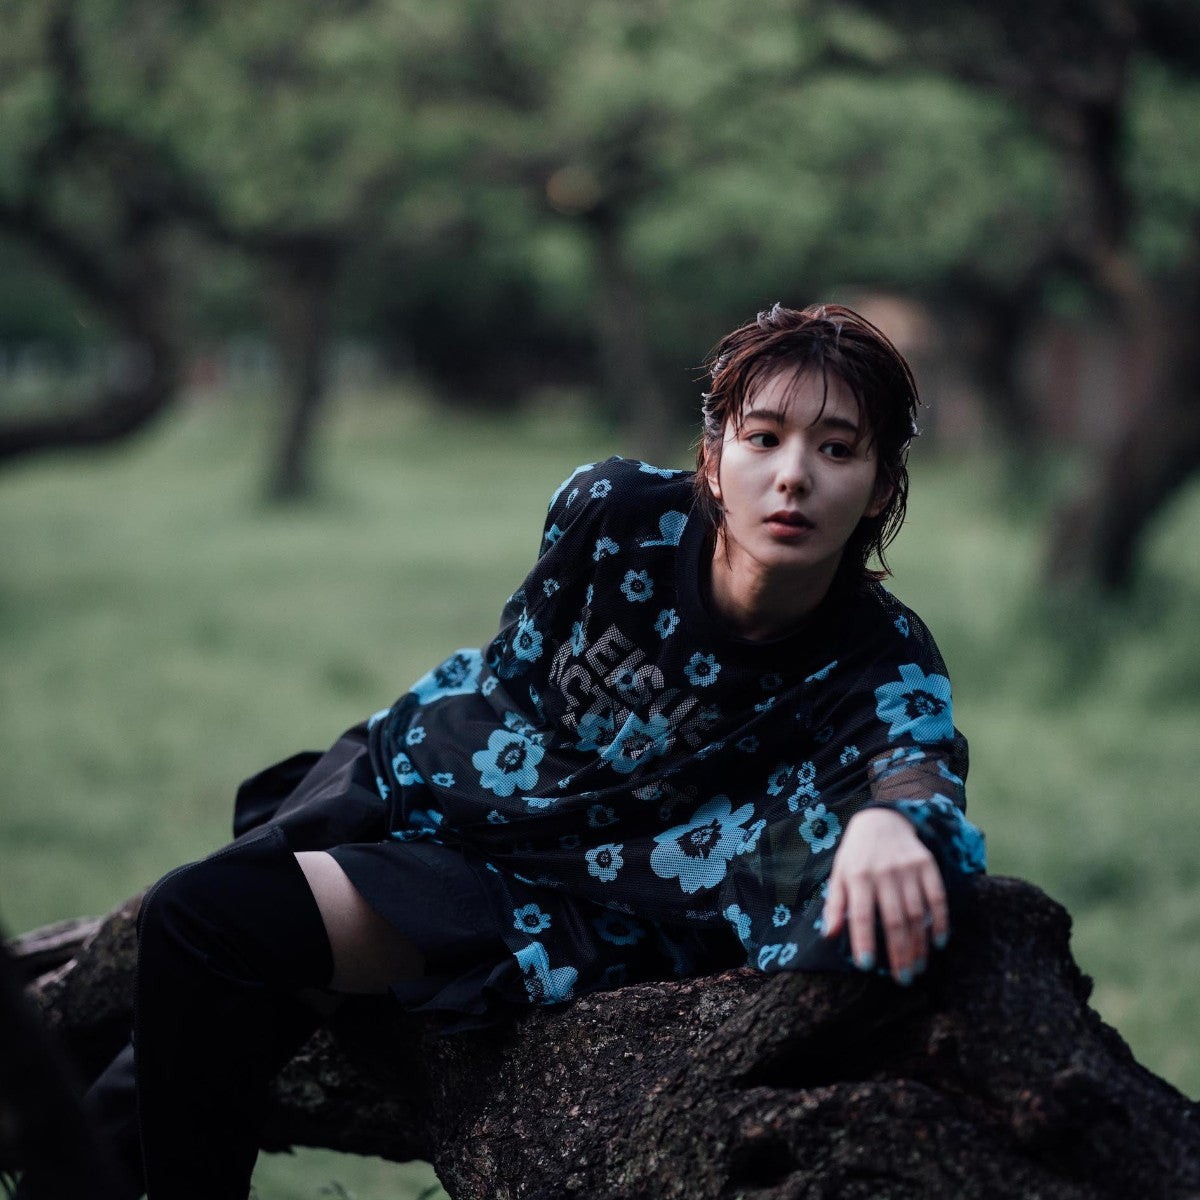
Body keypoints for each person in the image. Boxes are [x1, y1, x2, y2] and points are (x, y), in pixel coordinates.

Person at [59, 302, 986, 1199]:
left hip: (549, 899)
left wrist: (892, 824)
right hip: (430, 774)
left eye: (837, 449)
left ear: (881, 486)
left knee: (206, 922)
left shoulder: (881, 655)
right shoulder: (612, 512)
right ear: (713, 456)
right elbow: (507, 680)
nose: (793, 477)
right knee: (188, 973)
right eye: (764, 438)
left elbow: (921, 771)